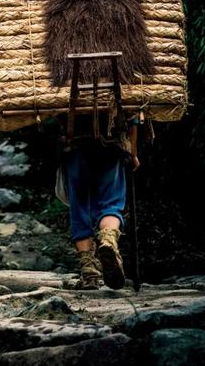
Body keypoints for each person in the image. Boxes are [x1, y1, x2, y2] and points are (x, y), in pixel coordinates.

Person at [59, 110, 141, 290]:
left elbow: (54, 113)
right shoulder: (119, 82)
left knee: (79, 209)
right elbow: (134, 118)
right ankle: (108, 242)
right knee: (111, 205)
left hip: (76, 148)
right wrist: (132, 153)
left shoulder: (62, 82)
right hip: (112, 147)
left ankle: (89, 272)